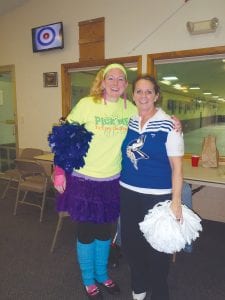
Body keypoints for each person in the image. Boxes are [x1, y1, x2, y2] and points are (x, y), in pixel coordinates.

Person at [52, 63, 137, 299]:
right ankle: (88, 278)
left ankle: (102, 274)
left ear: (125, 85)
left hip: (111, 181)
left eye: (121, 79)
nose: (116, 83)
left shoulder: (130, 109)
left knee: (105, 232)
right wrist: (59, 169)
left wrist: (174, 123)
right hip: (84, 180)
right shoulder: (87, 105)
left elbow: (149, 121)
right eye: (111, 78)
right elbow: (64, 137)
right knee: (87, 232)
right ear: (102, 81)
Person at [119, 75, 184, 300]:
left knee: (157, 249)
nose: (143, 96)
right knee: (129, 243)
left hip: (157, 197)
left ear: (156, 95)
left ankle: (159, 291)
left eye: (148, 92)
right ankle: (139, 284)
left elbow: (177, 168)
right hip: (127, 192)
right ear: (133, 95)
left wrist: (176, 202)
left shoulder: (169, 124)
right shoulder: (129, 120)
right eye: (139, 91)